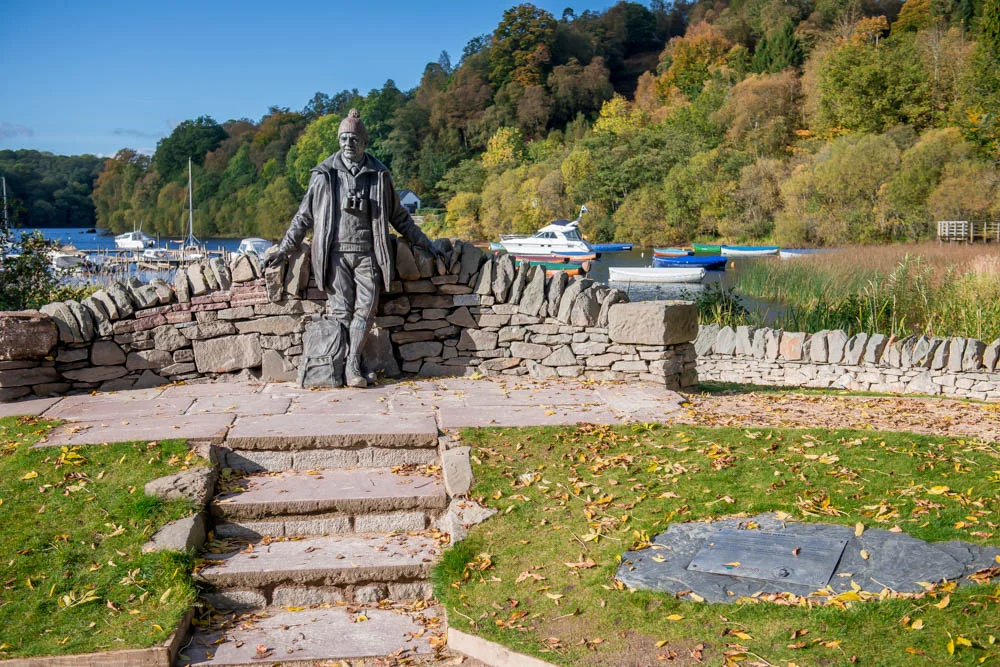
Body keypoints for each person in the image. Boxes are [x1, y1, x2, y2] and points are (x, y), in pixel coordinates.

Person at [264, 109, 441, 388]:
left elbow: (399, 217)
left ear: (364, 141)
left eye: (354, 138)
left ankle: (351, 363)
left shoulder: (380, 175)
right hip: (335, 255)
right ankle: (345, 366)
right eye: (344, 138)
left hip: (368, 253)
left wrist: (425, 243)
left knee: (366, 311)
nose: (348, 143)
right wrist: (285, 249)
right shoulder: (324, 175)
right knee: (342, 312)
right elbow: (304, 216)